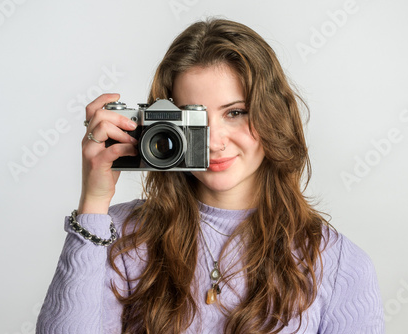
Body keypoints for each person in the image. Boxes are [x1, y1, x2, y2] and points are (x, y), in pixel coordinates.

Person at [36, 18, 384, 334]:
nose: (215, 142)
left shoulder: (336, 264)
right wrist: (93, 204)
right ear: (166, 126)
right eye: (195, 118)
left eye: (235, 112)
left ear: (272, 114)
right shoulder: (121, 237)